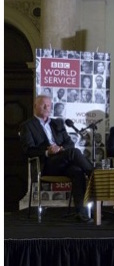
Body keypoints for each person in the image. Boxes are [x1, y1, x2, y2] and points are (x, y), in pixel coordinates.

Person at [20, 95, 94, 223]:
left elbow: (69, 143)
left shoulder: (57, 123)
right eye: (43, 105)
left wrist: (60, 149)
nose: (46, 107)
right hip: (46, 164)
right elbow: (28, 150)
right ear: (35, 106)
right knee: (74, 153)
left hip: (62, 161)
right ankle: (95, 176)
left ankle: (81, 214)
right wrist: (47, 152)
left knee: (77, 171)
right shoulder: (27, 125)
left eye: (49, 105)